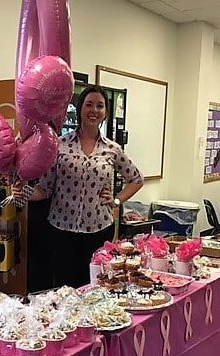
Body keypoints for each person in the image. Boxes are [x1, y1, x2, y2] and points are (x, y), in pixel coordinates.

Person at [13, 84, 144, 288]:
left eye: (100, 106)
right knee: (66, 289)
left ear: (106, 112)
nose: (94, 110)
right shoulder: (60, 145)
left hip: (99, 231)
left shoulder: (112, 149)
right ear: (80, 108)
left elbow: (136, 179)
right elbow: (44, 189)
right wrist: (23, 192)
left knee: (96, 286)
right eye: (89, 104)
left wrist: (116, 200)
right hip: (61, 231)